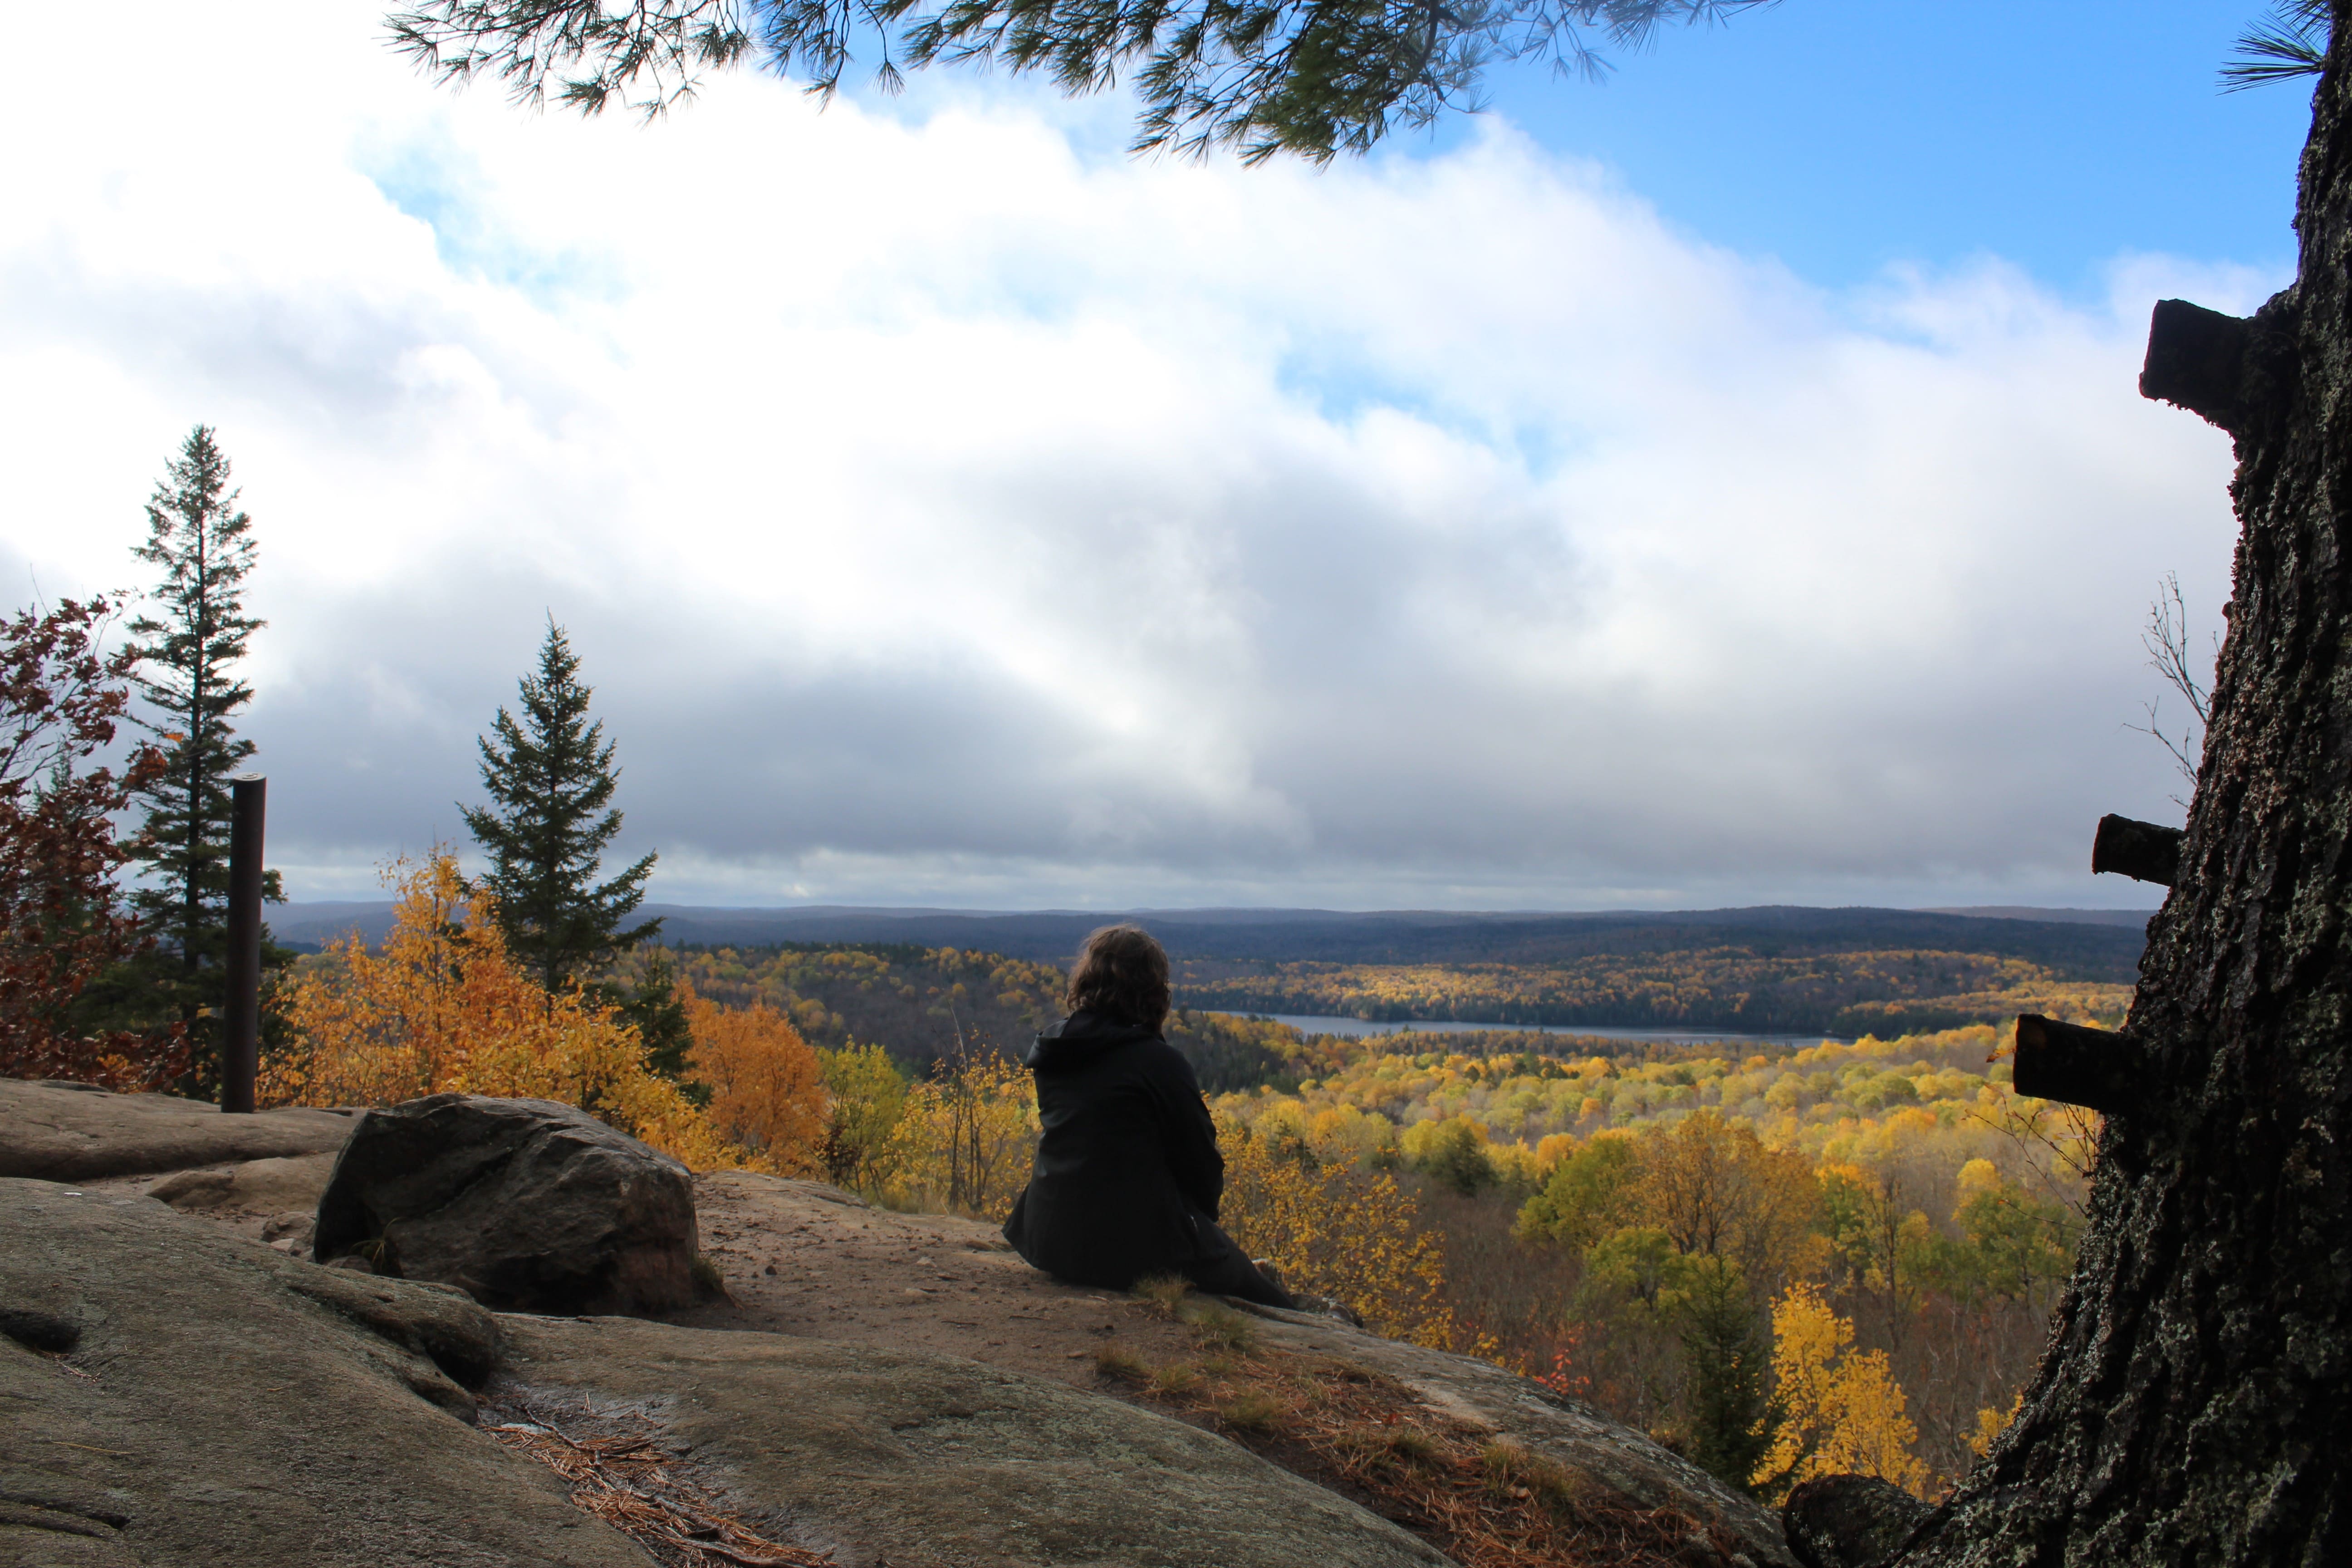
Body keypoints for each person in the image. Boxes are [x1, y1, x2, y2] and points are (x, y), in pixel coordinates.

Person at [1002, 923, 1294, 1308]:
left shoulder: (1054, 1047)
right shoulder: (1158, 1063)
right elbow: (1201, 1162)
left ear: (1086, 980)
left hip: (1049, 1236)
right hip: (1132, 1249)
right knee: (1264, 1295)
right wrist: (1200, 1226)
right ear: (1153, 991)